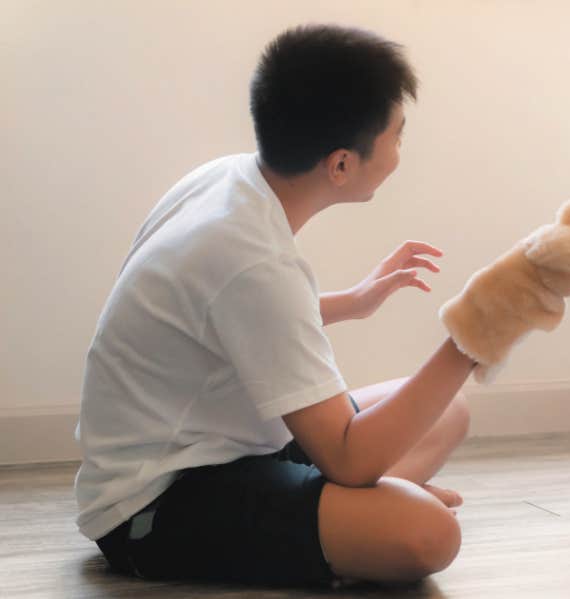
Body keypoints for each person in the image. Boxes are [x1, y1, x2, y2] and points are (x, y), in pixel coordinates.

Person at [76, 25, 478, 587]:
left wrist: (355, 302)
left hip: (232, 441)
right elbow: (348, 459)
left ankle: (353, 523)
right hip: (154, 501)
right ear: (340, 164)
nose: (399, 150)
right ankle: (364, 527)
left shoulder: (227, 179)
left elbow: (228, 315)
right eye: (397, 135)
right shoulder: (257, 262)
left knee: (447, 411)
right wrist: (473, 338)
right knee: (430, 534)